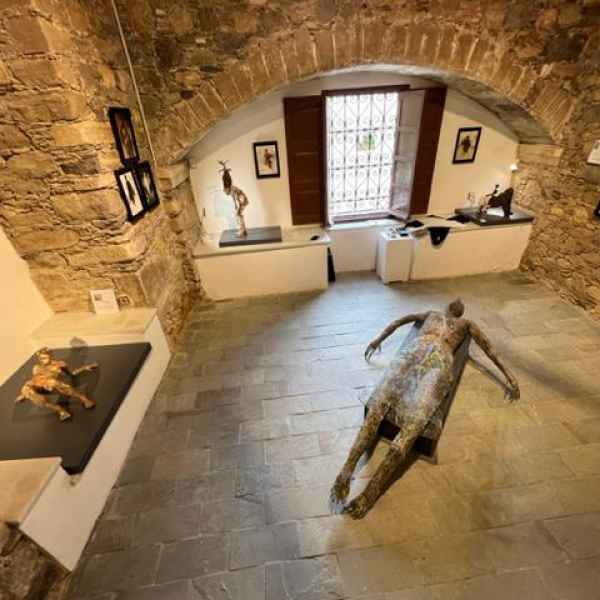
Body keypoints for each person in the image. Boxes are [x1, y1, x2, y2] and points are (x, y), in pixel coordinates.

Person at [330, 299, 520, 518]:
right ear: (451, 309)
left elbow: (489, 349)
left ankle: (370, 492)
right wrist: (378, 339)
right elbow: (401, 321)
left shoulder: (465, 324)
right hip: (420, 350)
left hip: (438, 358)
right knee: (379, 406)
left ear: (455, 311)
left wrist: (508, 374)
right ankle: (347, 470)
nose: (457, 304)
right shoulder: (433, 314)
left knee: (414, 423)